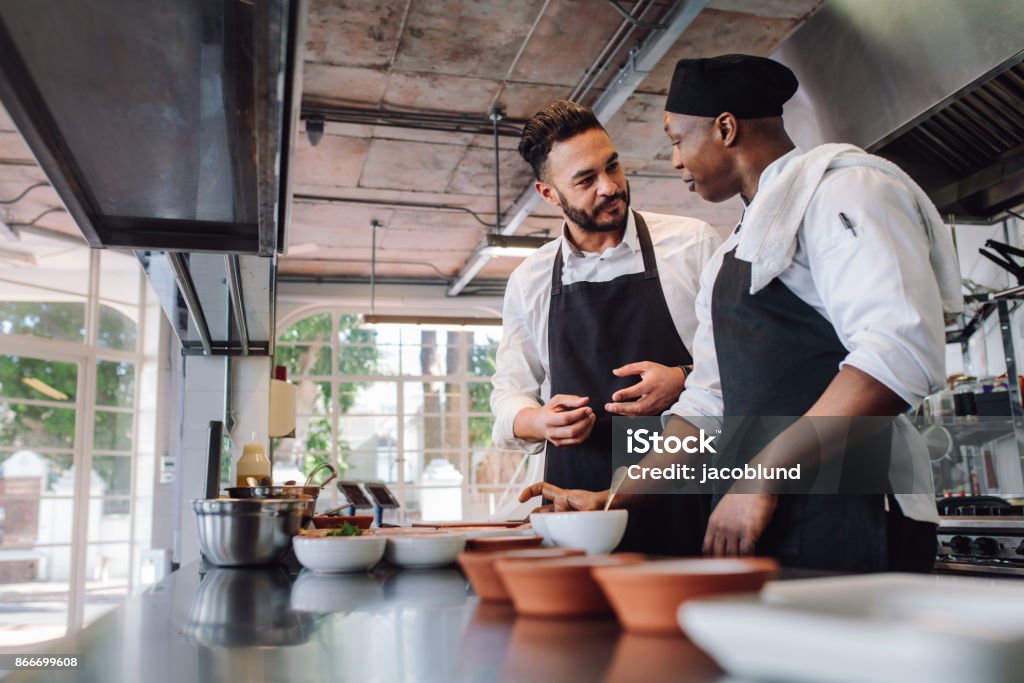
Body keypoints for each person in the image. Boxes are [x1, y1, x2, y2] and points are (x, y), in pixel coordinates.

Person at [529, 55, 962, 572]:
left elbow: (900, 353)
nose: (674, 161)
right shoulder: (731, 252)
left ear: (726, 129)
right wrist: (615, 499)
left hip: (858, 508)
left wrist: (762, 475)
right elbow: (707, 406)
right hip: (761, 520)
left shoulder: (845, 191)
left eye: (676, 140)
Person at [492, 100, 721, 555]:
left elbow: (737, 369)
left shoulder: (691, 245)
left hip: (683, 499)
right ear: (549, 194)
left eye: (612, 166)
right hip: (575, 515)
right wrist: (537, 420)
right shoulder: (530, 280)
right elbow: (508, 391)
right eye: (585, 180)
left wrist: (681, 379)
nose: (610, 187)